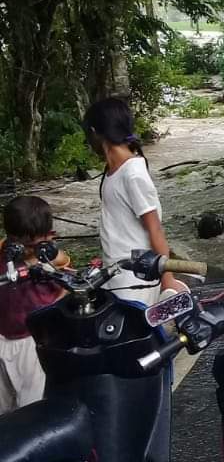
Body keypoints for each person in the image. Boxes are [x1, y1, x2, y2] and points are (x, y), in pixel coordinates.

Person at [83, 96, 177, 307]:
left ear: (94, 133)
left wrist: (168, 280)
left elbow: (155, 229)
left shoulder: (132, 173)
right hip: (116, 273)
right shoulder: (112, 172)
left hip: (136, 280)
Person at [0, 196, 70, 411]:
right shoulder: (3, 254)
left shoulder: (50, 259)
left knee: (31, 405)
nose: (28, 250)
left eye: (34, 244)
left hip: (33, 342)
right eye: (21, 245)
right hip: (3, 337)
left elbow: (66, 284)